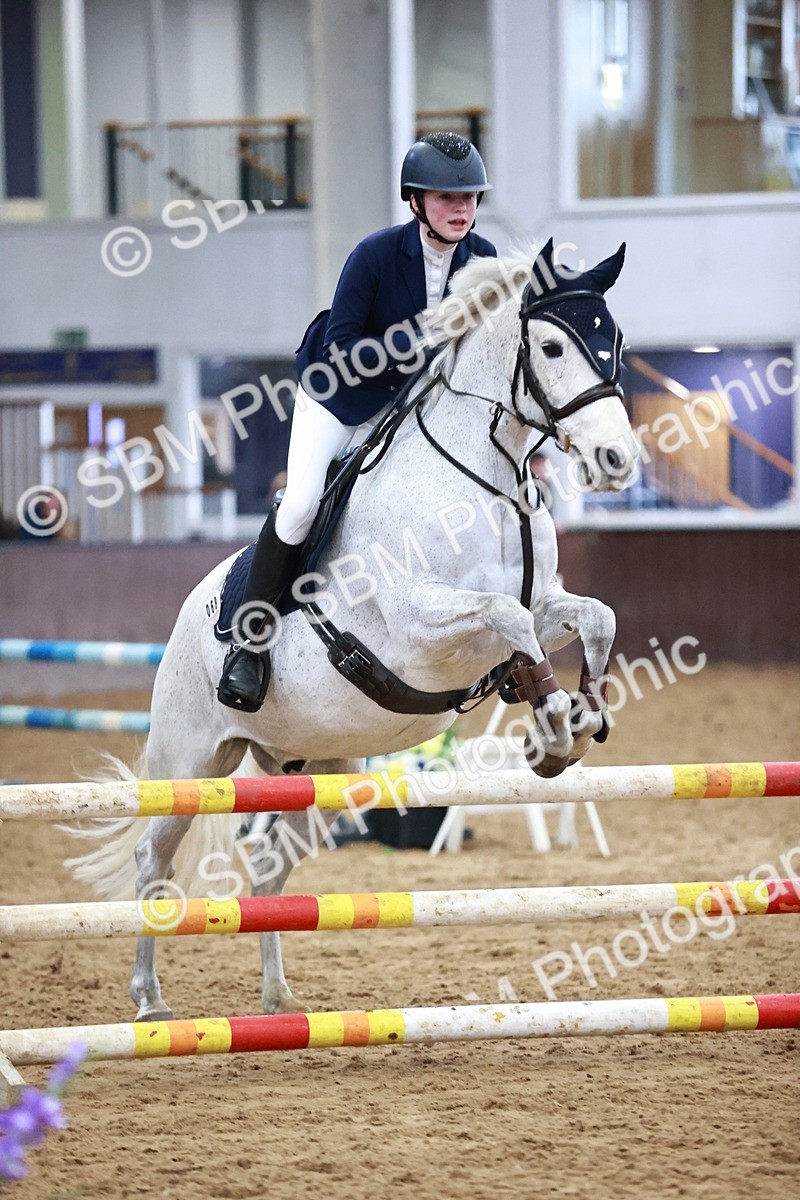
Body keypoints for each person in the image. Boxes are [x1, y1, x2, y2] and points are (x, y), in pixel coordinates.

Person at [217, 131, 496, 713]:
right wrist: (420, 338)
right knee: (301, 504)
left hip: (410, 407)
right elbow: (344, 347)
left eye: (470, 197)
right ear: (416, 201)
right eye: (448, 198)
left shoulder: (483, 258)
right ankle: (250, 642)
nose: (462, 208)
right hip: (338, 398)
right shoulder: (373, 255)